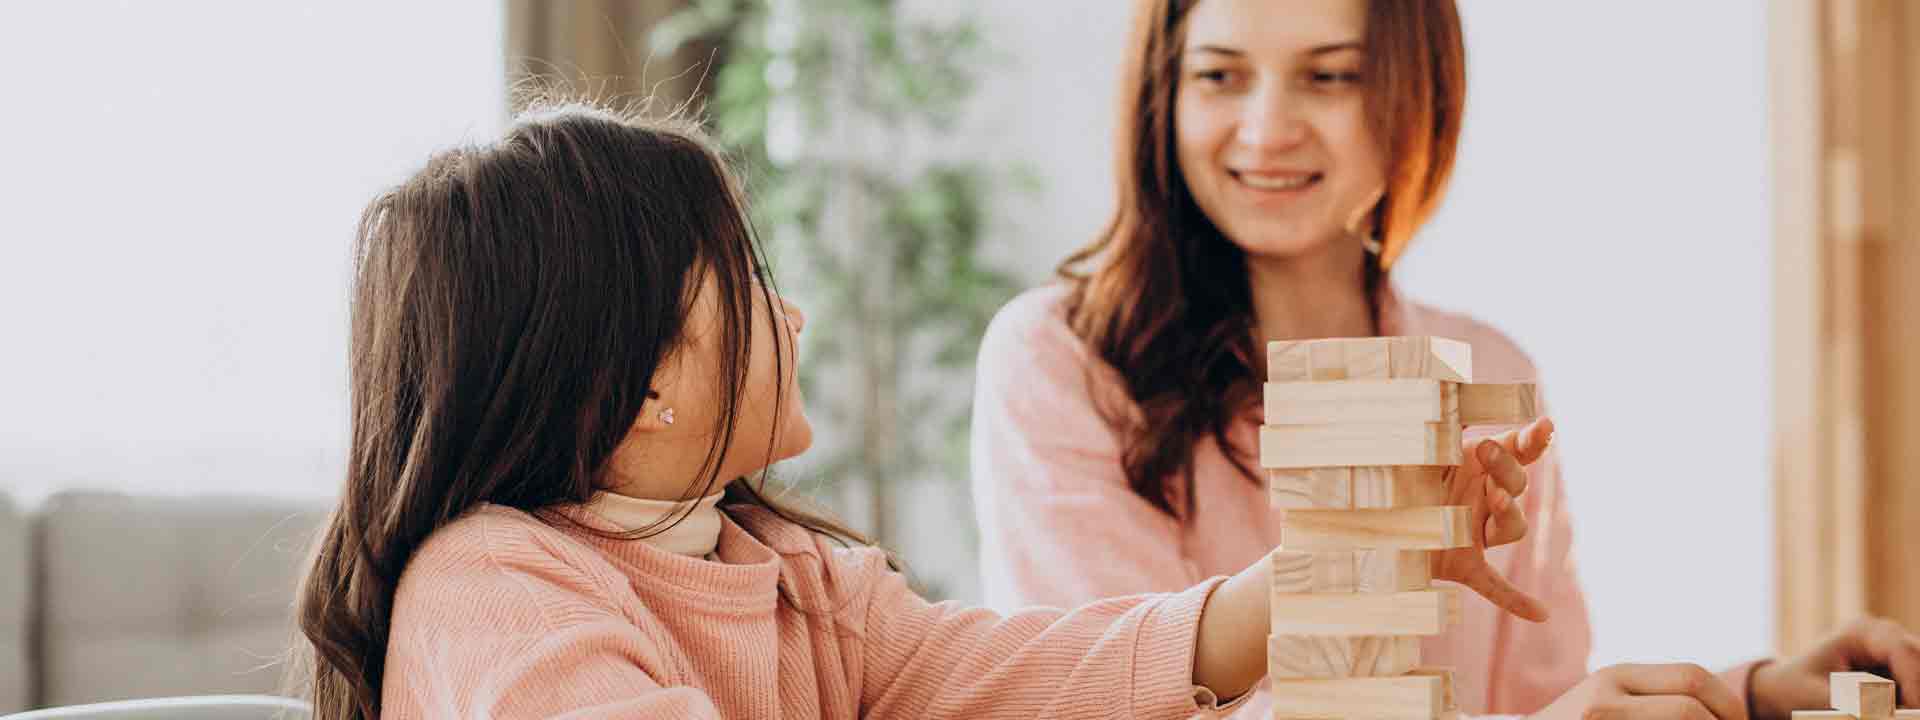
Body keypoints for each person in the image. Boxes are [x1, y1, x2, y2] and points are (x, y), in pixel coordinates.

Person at [285, 103, 1534, 720]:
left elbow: (1053, 668)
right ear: (651, 385)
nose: (795, 316)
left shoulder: (799, 583)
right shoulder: (492, 585)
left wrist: (1353, 560)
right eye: (753, 286)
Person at [968, 1, 1920, 719]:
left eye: (1328, 76)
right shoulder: (1059, 363)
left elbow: (1536, 698)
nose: (1265, 130)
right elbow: (1110, 698)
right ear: (1163, 96)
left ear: (1415, 89)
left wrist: (1752, 694)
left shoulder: (1487, 369)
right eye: (1219, 77)